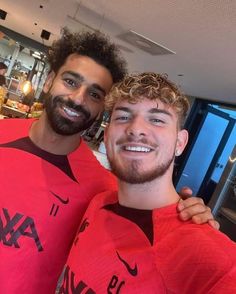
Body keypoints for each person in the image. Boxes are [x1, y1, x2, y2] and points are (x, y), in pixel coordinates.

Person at [0, 30, 216, 293]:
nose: (78, 98)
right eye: (70, 81)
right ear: (48, 81)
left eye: (95, 94)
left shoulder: (104, 190)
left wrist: (190, 218)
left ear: (102, 108)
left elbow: (153, 215)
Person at [61, 72, 236, 293]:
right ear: (106, 137)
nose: (136, 129)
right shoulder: (97, 203)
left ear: (180, 143)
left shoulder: (210, 258)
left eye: (156, 119)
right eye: (123, 117)